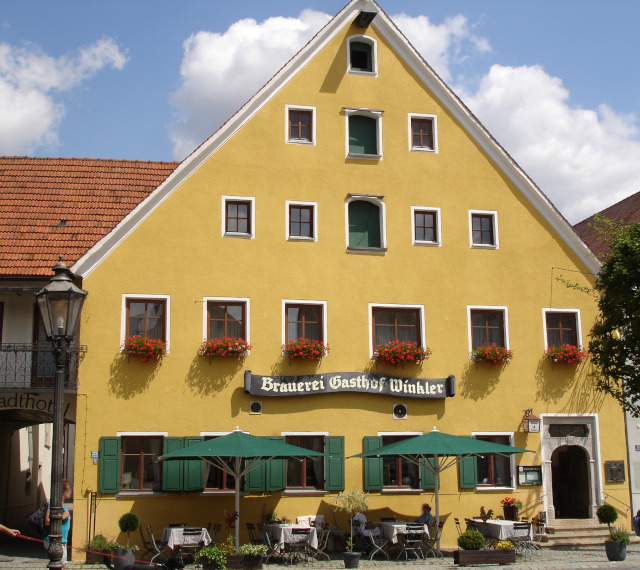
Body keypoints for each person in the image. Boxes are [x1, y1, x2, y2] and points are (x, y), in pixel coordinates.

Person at [43, 479, 71, 568]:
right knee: (59, 566)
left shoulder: (63, 505)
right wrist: (63, 516)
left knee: (62, 565)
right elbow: (47, 521)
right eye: (68, 489)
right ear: (63, 492)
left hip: (62, 540)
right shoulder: (53, 504)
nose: (70, 491)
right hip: (55, 541)